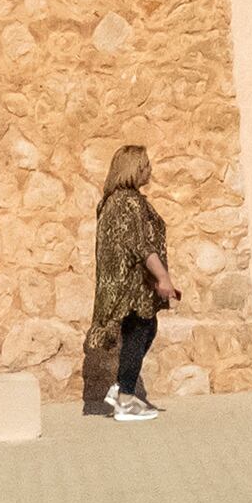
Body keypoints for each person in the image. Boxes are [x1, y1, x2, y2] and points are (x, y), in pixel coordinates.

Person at [86, 146, 179, 421]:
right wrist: (163, 277)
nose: (149, 170)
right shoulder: (130, 203)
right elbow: (142, 246)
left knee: (141, 331)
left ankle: (121, 389)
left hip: (115, 284)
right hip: (131, 287)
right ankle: (124, 398)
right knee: (141, 330)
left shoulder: (109, 201)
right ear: (133, 168)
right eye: (145, 165)